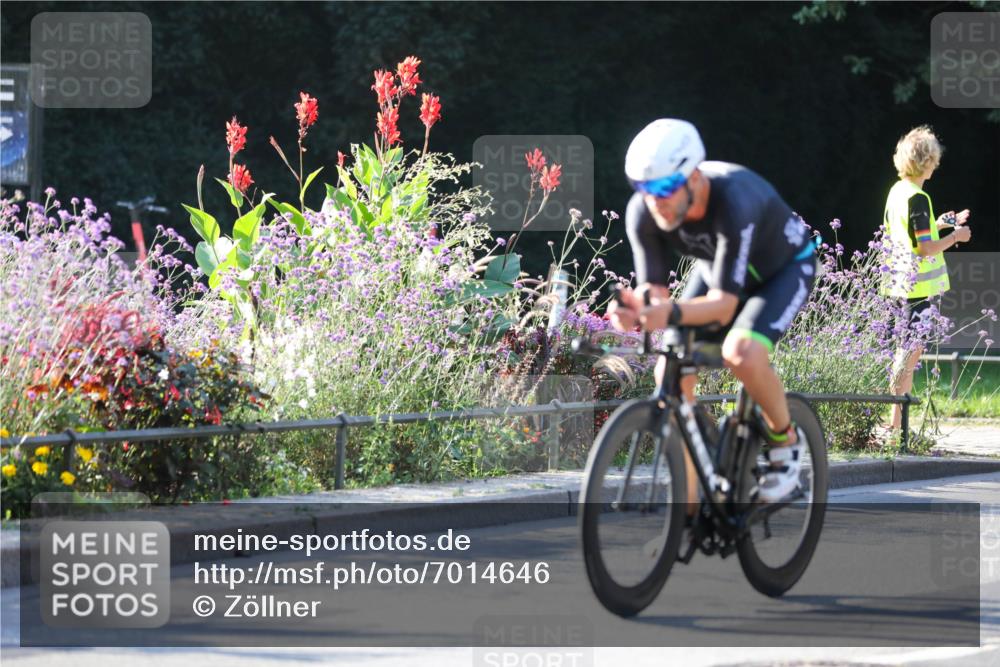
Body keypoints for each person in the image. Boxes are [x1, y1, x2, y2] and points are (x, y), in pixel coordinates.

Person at [607, 119, 817, 504]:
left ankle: (785, 443)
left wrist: (668, 313)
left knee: (742, 353)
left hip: (783, 271)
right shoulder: (644, 212)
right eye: (643, 188)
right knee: (669, 371)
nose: (655, 200)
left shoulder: (733, 200)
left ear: (694, 177)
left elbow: (723, 308)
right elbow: (655, 294)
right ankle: (689, 509)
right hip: (720, 274)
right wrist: (635, 309)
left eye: (665, 187)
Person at [881, 125, 970, 430]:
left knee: (901, 353)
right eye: (934, 158)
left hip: (895, 285)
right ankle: (896, 427)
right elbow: (924, 247)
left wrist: (940, 223)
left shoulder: (898, 191)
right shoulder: (919, 198)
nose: (937, 163)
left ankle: (893, 423)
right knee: (908, 355)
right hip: (916, 290)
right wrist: (956, 236)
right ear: (927, 161)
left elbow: (910, 233)